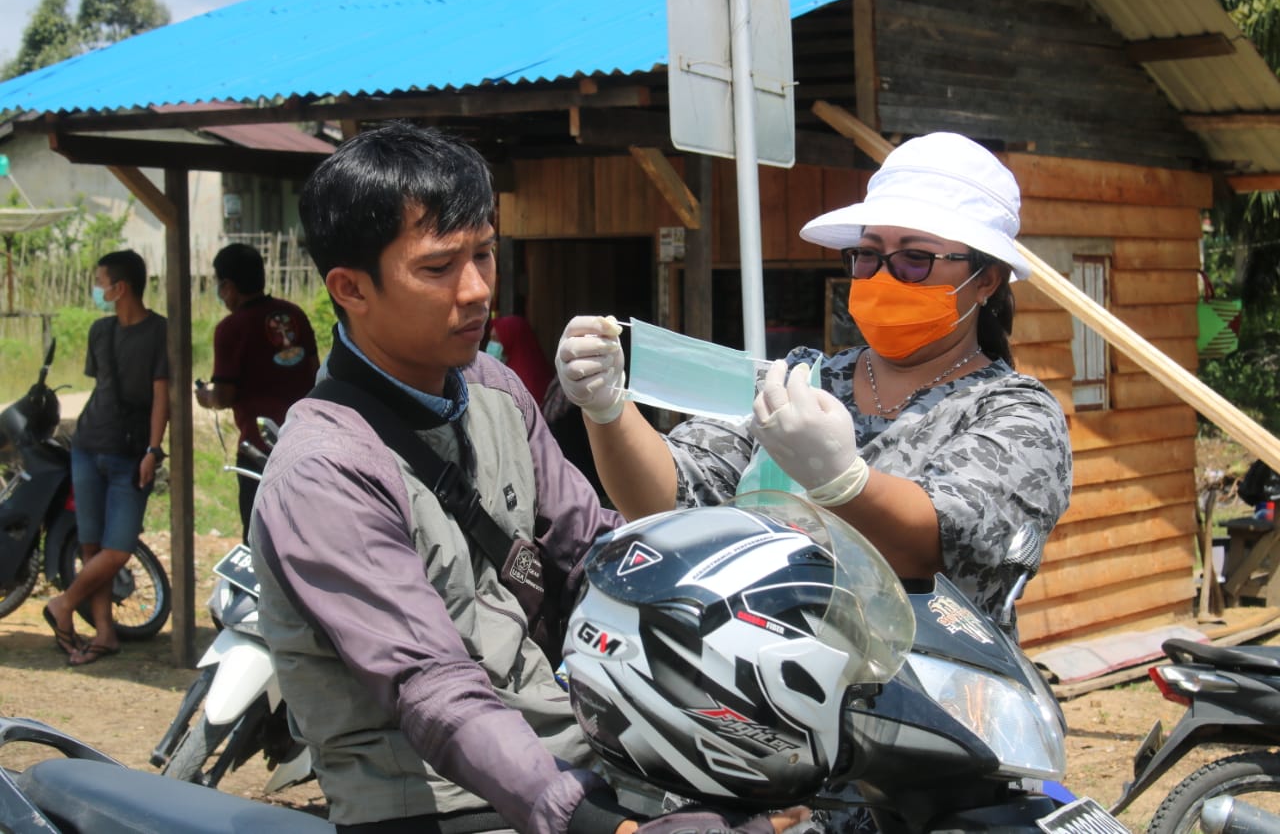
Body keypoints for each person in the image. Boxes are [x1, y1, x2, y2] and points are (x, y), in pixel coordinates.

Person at [250, 122, 805, 834]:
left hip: (579, 758)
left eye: (484, 253)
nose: (477, 288)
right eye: (438, 267)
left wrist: (752, 617)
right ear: (350, 288)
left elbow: (597, 555)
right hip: (445, 802)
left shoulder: (495, 391)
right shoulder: (325, 469)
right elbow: (434, 689)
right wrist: (595, 823)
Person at [555, 131, 1073, 624]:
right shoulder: (803, 378)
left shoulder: (1017, 415)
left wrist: (841, 480)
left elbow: (936, 545)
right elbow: (668, 497)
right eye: (868, 255)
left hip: (928, 682)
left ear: (985, 280)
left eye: (915, 259)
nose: (883, 276)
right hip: (767, 672)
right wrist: (608, 410)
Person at [44, 249, 169, 666]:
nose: (97, 290)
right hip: (87, 446)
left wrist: (153, 449)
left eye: (100, 283)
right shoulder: (100, 330)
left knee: (118, 547)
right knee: (91, 544)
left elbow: (161, 396)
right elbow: (102, 388)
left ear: (120, 288)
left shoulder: (160, 332)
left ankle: (63, 604)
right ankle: (105, 633)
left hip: (130, 454)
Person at [195, 242, 319, 541]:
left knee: (259, 538)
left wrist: (206, 397)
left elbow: (223, 396)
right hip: (308, 441)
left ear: (227, 286)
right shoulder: (294, 314)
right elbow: (315, 370)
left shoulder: (231, 328)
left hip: (260, 449)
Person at [487, 313, 554, 409]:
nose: (491, 344)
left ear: (509, 340)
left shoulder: (523, 379)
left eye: (495, 339)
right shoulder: (508, 367)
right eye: (491, 339)